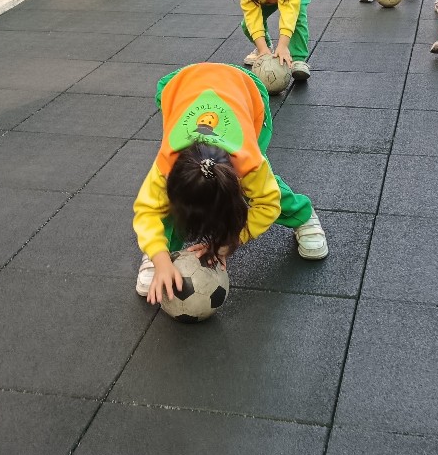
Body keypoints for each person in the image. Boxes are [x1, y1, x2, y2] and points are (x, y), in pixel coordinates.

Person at [133, 63, 328, 303]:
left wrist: (230, 240)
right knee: (166, 199)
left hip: (246, 89)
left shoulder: (250, 164)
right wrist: (159, 257)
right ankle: (163, 250)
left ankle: (303, 214)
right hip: (181, 84)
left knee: (264, 187)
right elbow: (147, 210)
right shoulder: (166, 166)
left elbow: (267, 203)